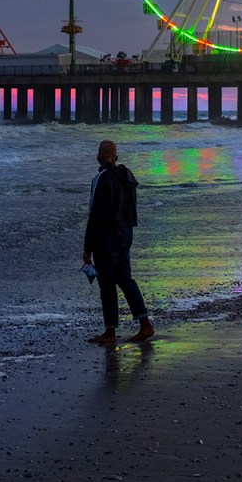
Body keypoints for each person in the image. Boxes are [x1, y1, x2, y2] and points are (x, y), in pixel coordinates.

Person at [82, 140, 154, 345]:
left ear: (98, 158)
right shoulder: (127, 176)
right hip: (126, 232)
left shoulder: (101, 179)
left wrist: (88, 248)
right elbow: (131, 208)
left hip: (107, 235)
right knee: (125, 278)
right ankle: (145, 324)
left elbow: (94, 215)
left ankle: (110, 331)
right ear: (116, 157)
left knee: (106, 283)